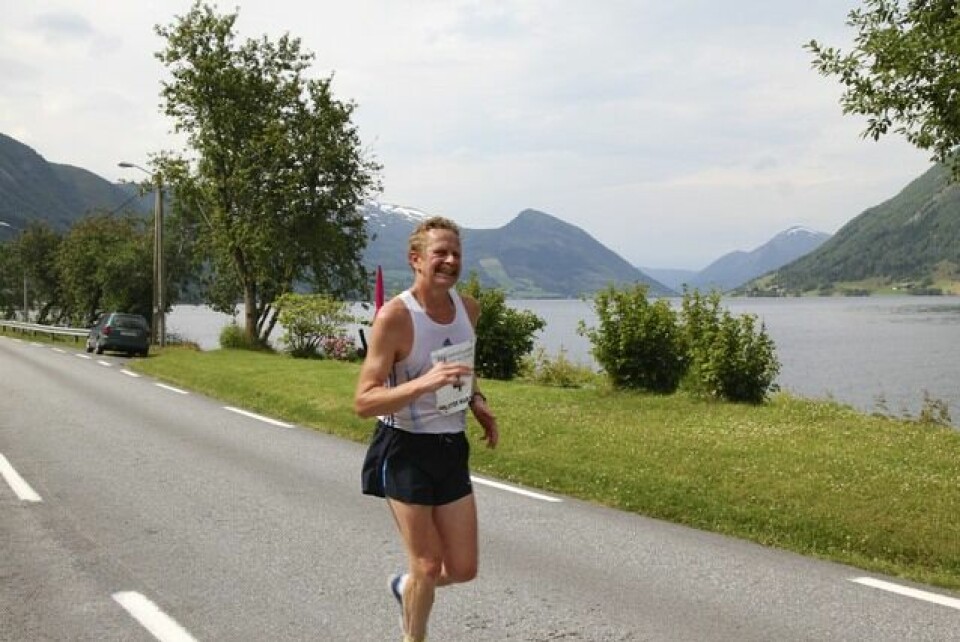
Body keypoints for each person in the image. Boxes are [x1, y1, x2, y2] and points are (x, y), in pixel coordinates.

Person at [354, 216, 499, 642]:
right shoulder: (396, 317)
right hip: (404, 449)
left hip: (451, 448)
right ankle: (413, 636)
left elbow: (462, 368)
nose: (450, 261)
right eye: (440, 253)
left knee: (463, 569)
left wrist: (477, 401)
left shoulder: (468, 309)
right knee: (427, 564)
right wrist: (424, 383)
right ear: (416, 259)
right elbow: (364, 400)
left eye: (456, 253)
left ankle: (404, 588)